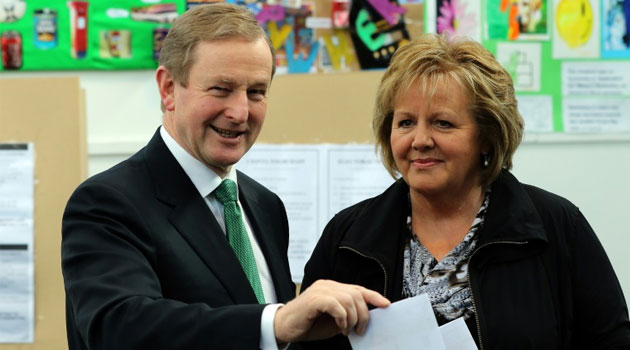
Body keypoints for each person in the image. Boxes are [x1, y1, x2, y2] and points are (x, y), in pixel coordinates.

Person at [61, 4, 389, 349]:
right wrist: (275, 322)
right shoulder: (107, 203)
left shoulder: (266, 206)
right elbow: (120, 329)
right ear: (168, 88)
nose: (239, 112)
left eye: (256, 92)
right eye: (220, 89)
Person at [300, 33, 630, 349]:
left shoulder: (555, 227)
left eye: (442, 123)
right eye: (405, 123)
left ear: (486, 136)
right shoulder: (348, 238)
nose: (420, 140)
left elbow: (610, 341)